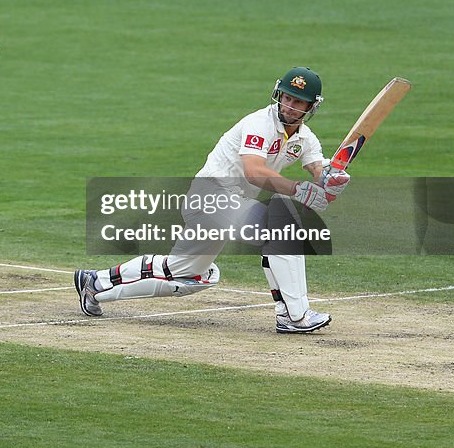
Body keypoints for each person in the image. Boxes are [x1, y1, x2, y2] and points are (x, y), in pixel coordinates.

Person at [75, 67, 350, 334]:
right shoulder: (260, 123)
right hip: (211, 196)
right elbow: (254, 172)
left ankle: (95, 283)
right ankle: (294, 315)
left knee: (188, 275)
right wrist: (299, 190)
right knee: (281, 227)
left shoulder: (304, 138)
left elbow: (317, 170)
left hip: (230, 202)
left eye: (298, 101)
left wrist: (331, 179)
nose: (289, 106)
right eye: (286, 97)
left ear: (311, 106)